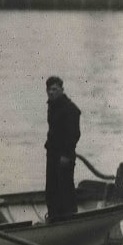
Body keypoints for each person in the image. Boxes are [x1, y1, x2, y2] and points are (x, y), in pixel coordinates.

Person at [45, 75, 82, 221]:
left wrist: (66, 155)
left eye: (54, 89)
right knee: (52, 187)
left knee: (65, 187)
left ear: (61, 89)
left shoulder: (70, 109)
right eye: (49, 89)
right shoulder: (52, 106)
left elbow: (74, 134)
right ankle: (54, 216)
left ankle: (70, 217)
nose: (51, 92)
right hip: (52, 153)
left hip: (64, 155)